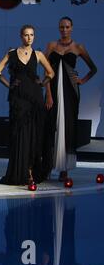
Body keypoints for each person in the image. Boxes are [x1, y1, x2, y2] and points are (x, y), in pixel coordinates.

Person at [0, 25, 55, 186]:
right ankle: (19, 171)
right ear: (21, 36)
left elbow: (51, 73)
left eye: (32, 35)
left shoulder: (38, 54)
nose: (29, 38)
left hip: (35, 99)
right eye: (26, 35)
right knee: (18, 134)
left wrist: (42, 83)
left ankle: (31, 171)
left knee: (33, 135)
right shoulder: (12, 54)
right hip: (18, 99)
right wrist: (9, 85)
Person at [43, 16, 97, 181]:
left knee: (68, 127)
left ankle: (64, 168)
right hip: (53, 90)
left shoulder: (78, 47)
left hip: (70, 92)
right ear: (59, 28)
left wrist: (81, 80)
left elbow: (93, 69)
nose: (64, 30)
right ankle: (47, 166)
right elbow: (45, 70)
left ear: (72, 28)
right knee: (51, 126)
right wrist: (49, 94)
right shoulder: (52, 45)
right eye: (61, 27)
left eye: (67, 27)